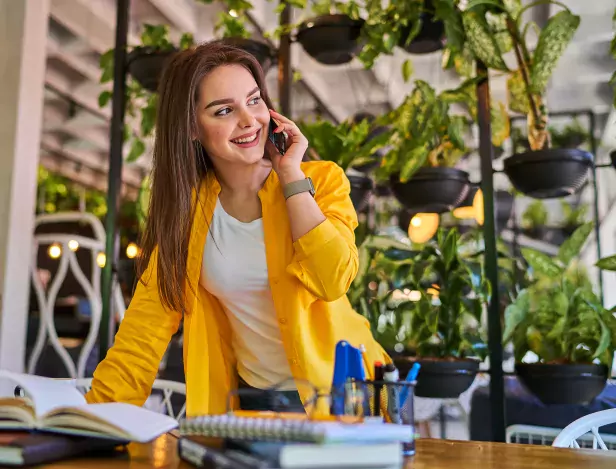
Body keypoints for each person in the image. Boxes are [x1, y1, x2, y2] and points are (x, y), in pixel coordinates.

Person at [85, 40, 390, 417]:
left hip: (347, 400)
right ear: (192, 128)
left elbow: (332, 280)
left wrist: (291, 176)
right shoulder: (187, 213)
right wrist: (88, 424)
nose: (249, 120)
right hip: (254, 407)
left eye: (254, 100)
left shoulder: (322, 181)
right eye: (224, 110)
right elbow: (142, 334)